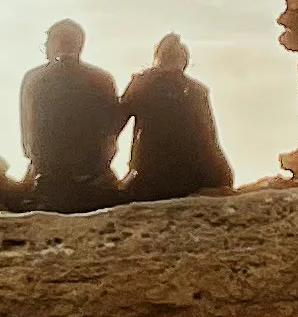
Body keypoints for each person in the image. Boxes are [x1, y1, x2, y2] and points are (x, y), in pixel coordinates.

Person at [18, 18, 123, 210]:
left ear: (55, 44)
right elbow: (111, 132)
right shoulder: (102, 79)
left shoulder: (34, 79)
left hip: (50, 188)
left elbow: (29, 140)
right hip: (95, 185)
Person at [118, 32, 234, 202]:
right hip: (199, 177)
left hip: (153, 180)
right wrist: (224, 177)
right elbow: (210, 139)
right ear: (184, 62)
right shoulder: (197, 90)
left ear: (158, 58)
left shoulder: (142, 85)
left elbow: (115, 124)